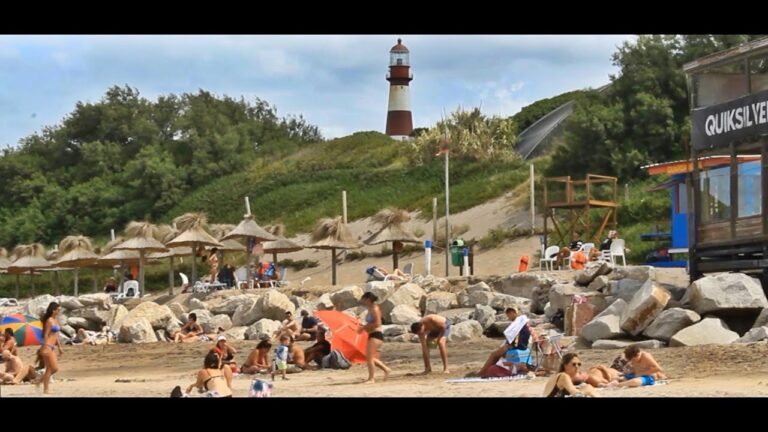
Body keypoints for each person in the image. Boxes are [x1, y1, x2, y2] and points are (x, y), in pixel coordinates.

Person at [477, 306, 531, 377]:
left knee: (494, 355)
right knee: (497, 353)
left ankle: (482, 373)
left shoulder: (518, 324)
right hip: (523, 347)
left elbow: (514, 338)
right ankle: (486, 371)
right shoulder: (522, 322)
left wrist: (508, 345)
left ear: (512, 313)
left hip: (518, 347)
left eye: (508, 315)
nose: (508, 317)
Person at [357, 292, 391, 384]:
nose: (363, 301)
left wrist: (363, 328)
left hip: (376, 335)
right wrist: (363, 326)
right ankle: (386, 369)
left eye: (364, 299)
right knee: (369, 357)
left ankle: (371, 378)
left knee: (369, 357)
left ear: (368, 299)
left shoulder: (375, 308)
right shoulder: (370, 308)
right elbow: (371, 323)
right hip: (372, 334)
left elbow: (377, 323)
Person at [38, 302, 64, 394]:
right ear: (53, 310)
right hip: (47, 346)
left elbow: (56, 335)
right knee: (53, 368)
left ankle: (41, 382)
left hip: (52, 347)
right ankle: (45, 388)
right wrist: (44, 347)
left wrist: (59, 347)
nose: (59, 311)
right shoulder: (49, 321)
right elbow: (45, 335)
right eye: (58, 310)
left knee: (51, 368)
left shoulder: (55, 320)